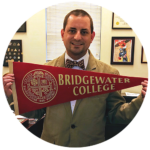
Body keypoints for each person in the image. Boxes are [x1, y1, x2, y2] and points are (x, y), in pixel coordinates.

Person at [2, 9, 149, 148]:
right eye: (72, 30)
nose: (77, 37)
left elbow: (116, 114)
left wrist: (141, 101)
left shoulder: (110, 73)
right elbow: (35, 113)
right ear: (62, 34)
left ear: (92, 37)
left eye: (84, 32)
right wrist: (11, 96)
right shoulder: (45, 71)